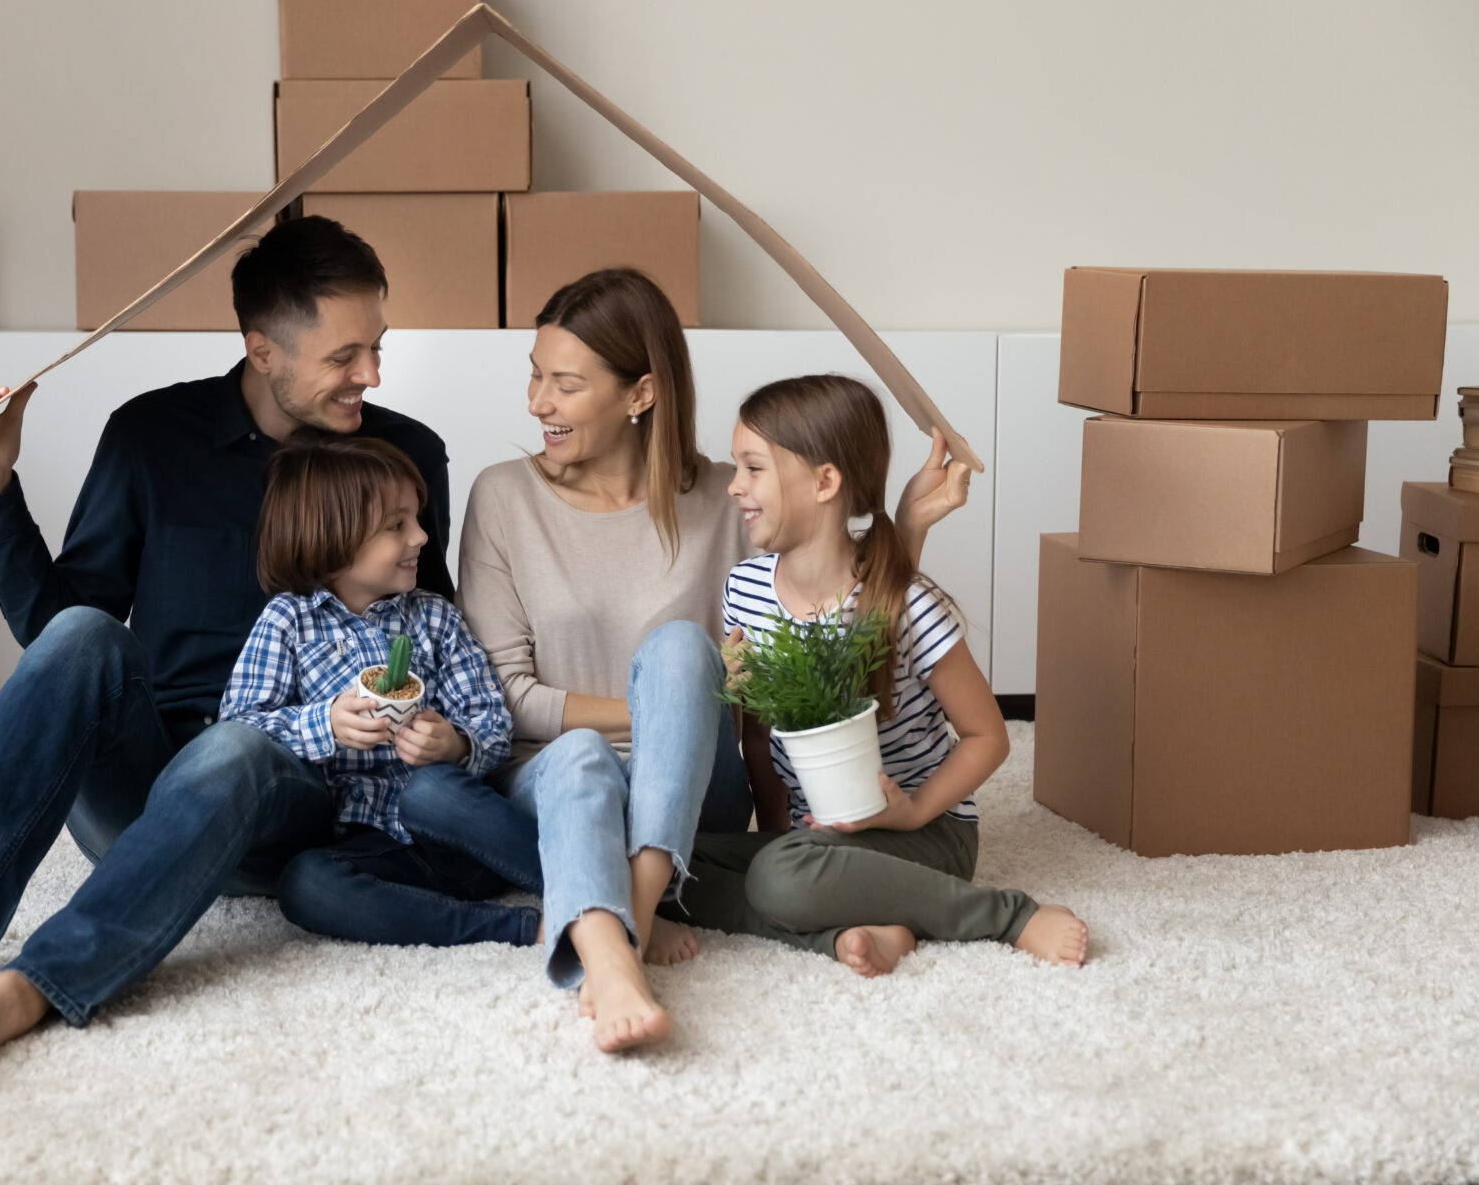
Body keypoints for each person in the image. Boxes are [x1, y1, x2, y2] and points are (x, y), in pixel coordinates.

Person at [0, 216, 454, 1087]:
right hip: (146, 787)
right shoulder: (150, 437)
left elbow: (434, 645)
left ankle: (29, 989)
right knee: (88, 636)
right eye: (346, 356)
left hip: (303, 797)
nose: (372, 376)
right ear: (262, 349)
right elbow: (59, 632)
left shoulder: (408, 456)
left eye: (378, 349)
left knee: (242, 743)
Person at [442, 270, 970, 1053]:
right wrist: (656, 710)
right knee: (584, 753)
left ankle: (636, 908)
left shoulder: (737, 494)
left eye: (564, 383)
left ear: (640, 393)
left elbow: (838, 611)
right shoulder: (503, 498)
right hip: (556, 779)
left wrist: (908, 526)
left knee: (684, 651)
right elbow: (508, 698)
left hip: (695, 790)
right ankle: (617, 960)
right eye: (534, 375)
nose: (535, 403)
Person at [678, 373, 1089, 976]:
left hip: (926, 832)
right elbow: (761, 742)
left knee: (776, 878)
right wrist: (785, 840)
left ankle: (1007, 916)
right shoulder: (745, 592)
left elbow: (989, 737)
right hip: (821, 839)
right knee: (668, 865)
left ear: (825, 481)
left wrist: (913, 812)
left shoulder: (908, 603)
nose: (735, 486)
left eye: (753, 468)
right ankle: (860, 932)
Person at [218, 432, 538, 949]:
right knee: (304, 884)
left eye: (416, 518)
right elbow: (239, 726)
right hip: (369, 848)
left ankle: (601, 898)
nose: (421, 537)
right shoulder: (288, 621)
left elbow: (492, 722)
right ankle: (525, 928)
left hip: (457, 839)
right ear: (331, 537)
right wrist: (324, 724)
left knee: (431, 791)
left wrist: (455, 744)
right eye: (397, 525)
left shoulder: (435, 618)